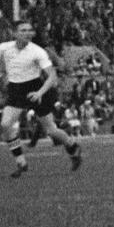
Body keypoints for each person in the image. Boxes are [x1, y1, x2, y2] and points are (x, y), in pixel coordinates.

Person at [3, 20, 84, 177]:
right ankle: (21, 162)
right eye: (23, 30)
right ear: (14, 33)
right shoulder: (5, 48)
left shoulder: (37, 51)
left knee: (51, 131)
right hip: (16, 90)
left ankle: (73, 146)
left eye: (29, 30)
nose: (28, 33)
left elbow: (52, 76)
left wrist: (39, 93)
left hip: (37, 89)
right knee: (5, 125)